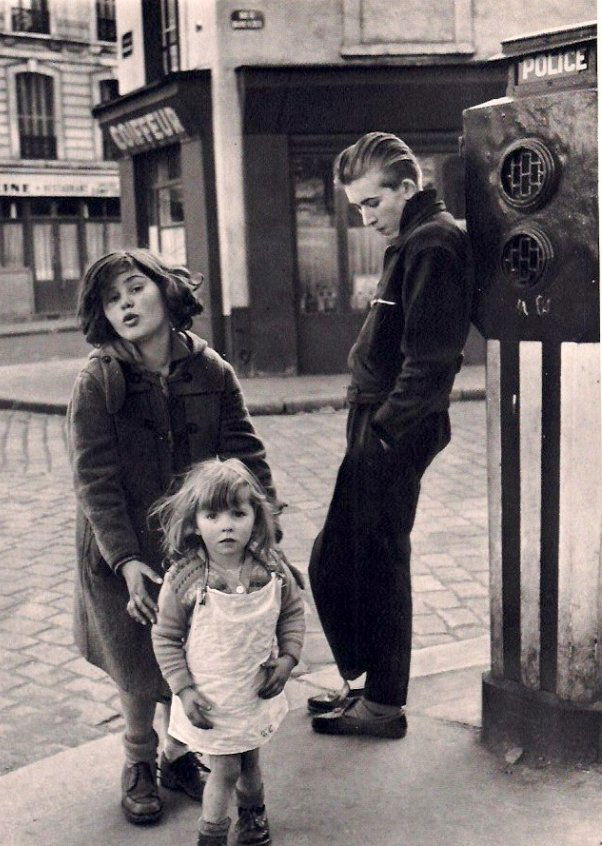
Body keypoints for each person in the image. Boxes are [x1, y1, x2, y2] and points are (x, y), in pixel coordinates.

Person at [67, 249, 283, 825]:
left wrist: (268, 534)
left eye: (135, 289)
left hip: (198, 544)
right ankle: (139, 761)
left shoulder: (211, 370)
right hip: (123, 548)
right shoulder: (98, 380)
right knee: (136, 657)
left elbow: (247, 456)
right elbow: (94, 479)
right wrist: (126, 560)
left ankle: (177, 755)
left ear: (166, 291)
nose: (126, 305)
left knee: (197, 651)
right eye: (112, 300)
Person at [307, 132, 472, 737]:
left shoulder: (433, 244)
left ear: (409, 186)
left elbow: (431, 362)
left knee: (372, 560)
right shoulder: (414, 239)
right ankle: (371, 688)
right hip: (382, 422)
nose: (364, 217)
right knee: (346, 558)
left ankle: (381, 703)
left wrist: (382, 434)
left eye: (372, 203)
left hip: (393, 428)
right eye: (356, 207)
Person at [151, 458, 305, 846]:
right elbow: (166, 637)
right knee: (225, 768)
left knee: (250, 759)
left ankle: (253, 817)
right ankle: (212, 833)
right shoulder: (185, 579)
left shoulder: (270, 569)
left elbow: (291, 613)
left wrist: (287, 660)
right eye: (212, 514)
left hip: (254, 690)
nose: (227, 525)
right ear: (194, 522)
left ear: (256, 515)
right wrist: (184, 690)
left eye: (238, 512)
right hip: (211, 698)